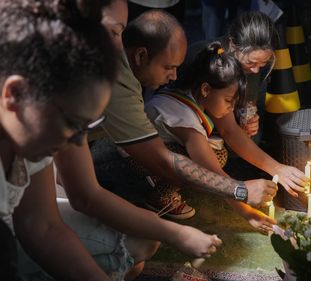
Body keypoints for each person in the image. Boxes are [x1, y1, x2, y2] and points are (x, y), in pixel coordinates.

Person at [17, 2, 223, 280]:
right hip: (2, 233)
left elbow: (78, 193)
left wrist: (169, 230)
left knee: (137, 249)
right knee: (137, 244)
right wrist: (235, 193)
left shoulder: (77, 76)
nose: (118, 48)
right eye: (114, 33)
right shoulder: (52, 86)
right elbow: (46, 223)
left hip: (31, 206)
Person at [0, 0, 119, 280]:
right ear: (15, 93)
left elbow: (42, 226)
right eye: (72, 124)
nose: (76, 142)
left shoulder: (20, 124)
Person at [90, 9, 278, 220]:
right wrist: (239, 191)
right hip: (129, 152)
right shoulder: (120, 88)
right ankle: (159, 194)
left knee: (214, 153)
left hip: (94, 140)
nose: (174, 77)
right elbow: (162, 159)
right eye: (169, 67)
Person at [145, 42, 308, 232]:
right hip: (139, 157)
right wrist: (247, 211)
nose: (231, 109)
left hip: (159, 145)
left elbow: (230, 133)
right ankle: (160, 195)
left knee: (218, 153)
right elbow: (212, 172)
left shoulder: (193, 96)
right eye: (229, 101)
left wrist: (277, 168)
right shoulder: (185, 119)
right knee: (207, 161)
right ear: (206, 90)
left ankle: (160, 181)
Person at [185, 10, 277, 137]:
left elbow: (248, 105)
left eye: (263, 64)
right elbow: (228, 129)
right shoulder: (213, 64)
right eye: (251, 63)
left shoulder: (249, 65)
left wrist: (246, 118)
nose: (256, 70)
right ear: (233, 45)